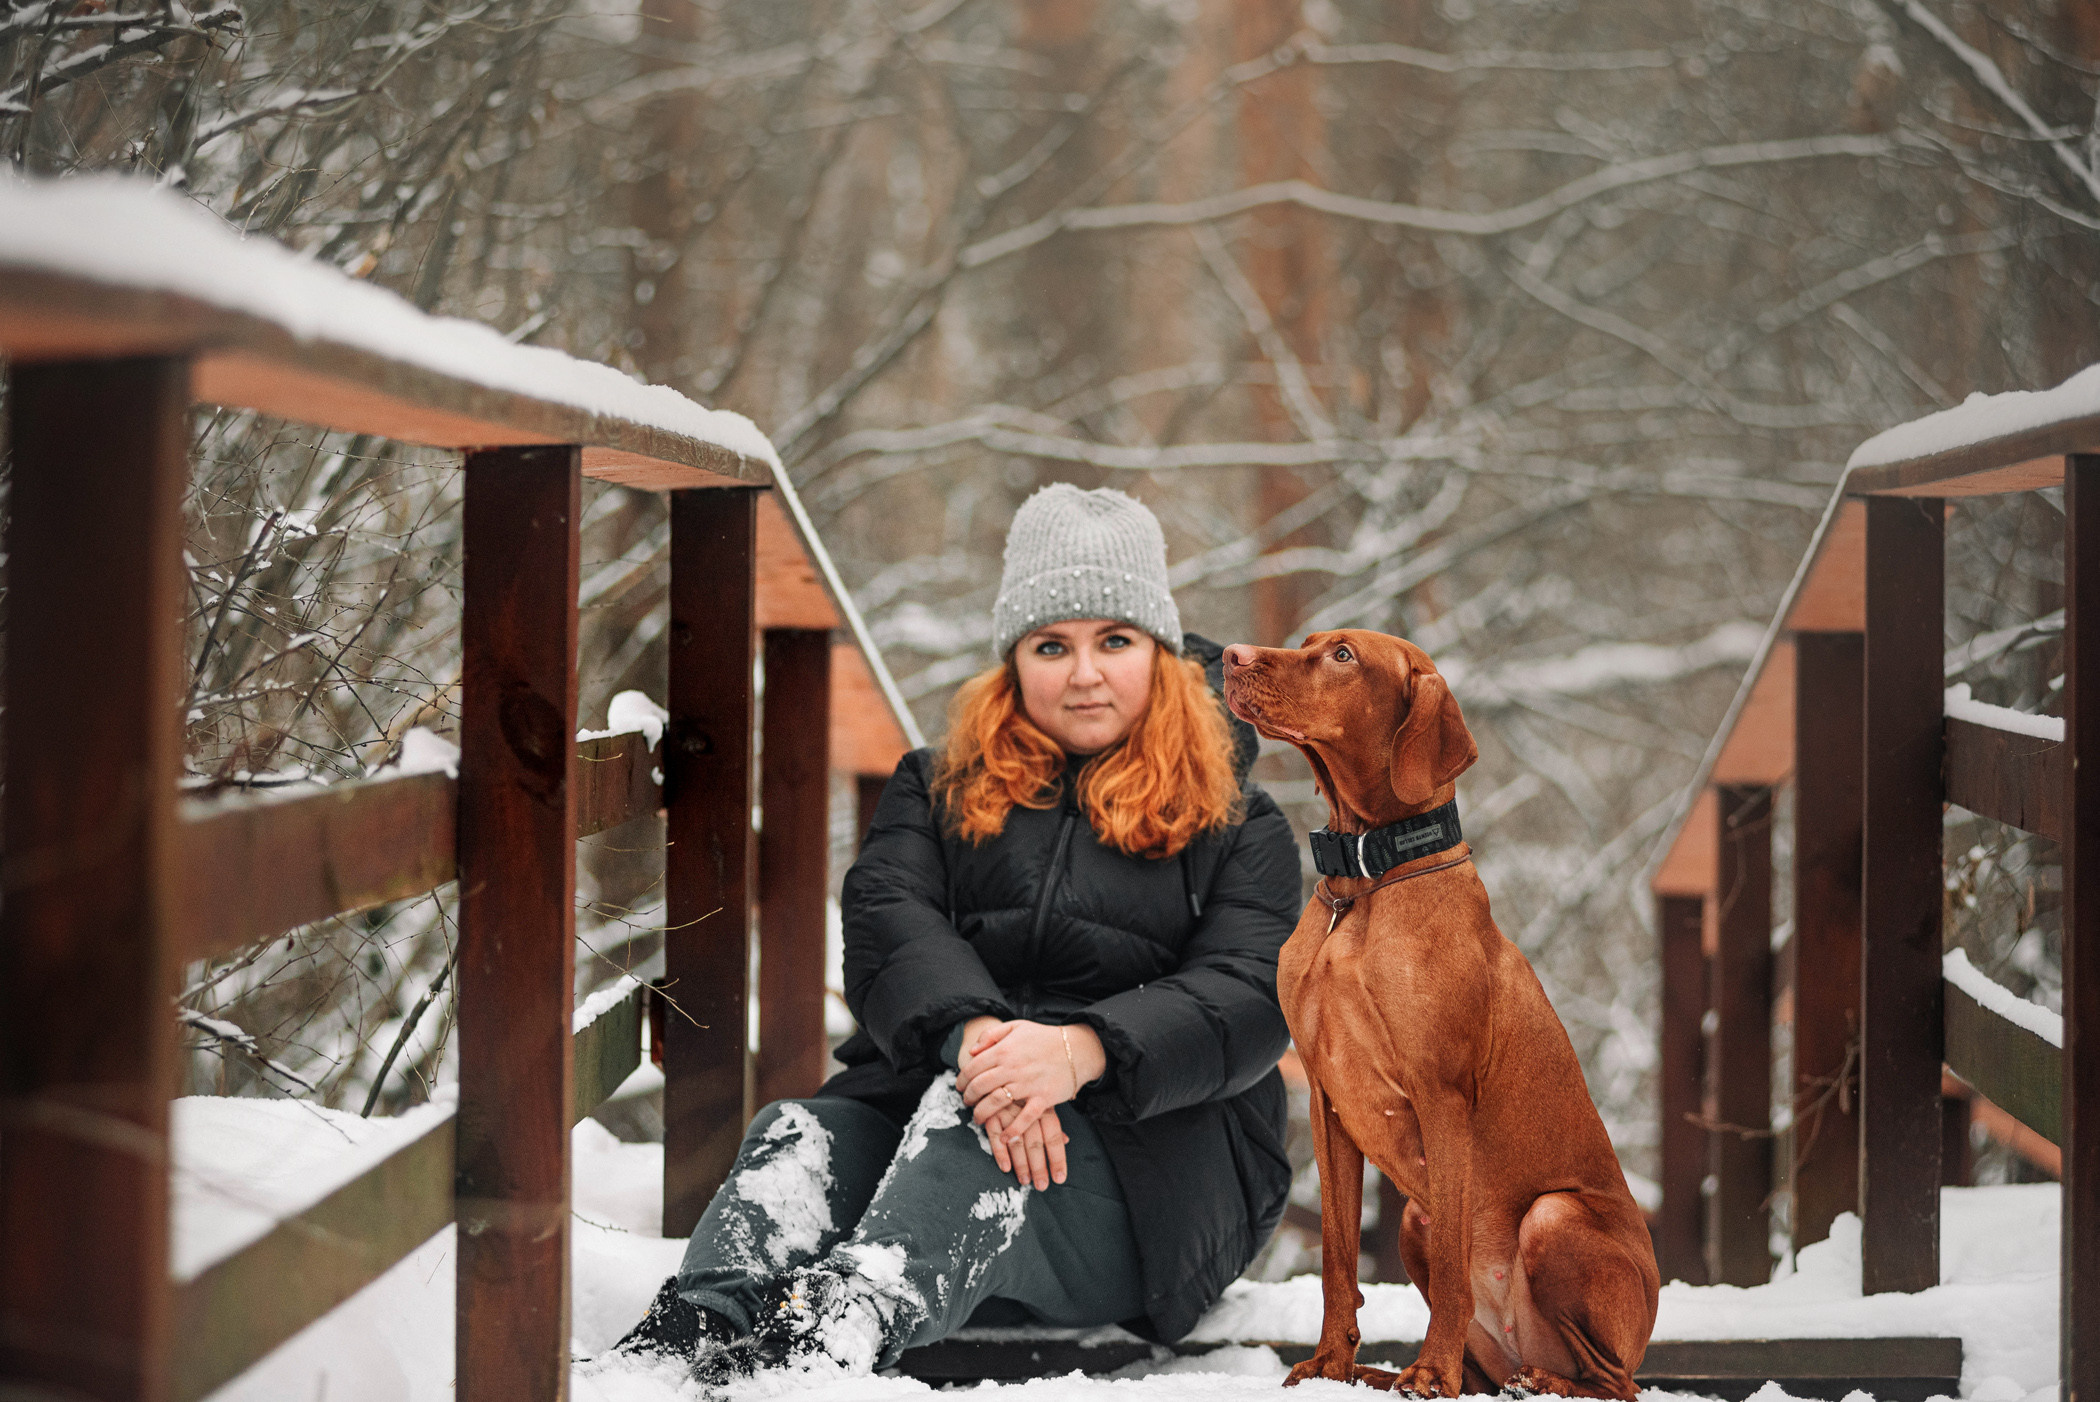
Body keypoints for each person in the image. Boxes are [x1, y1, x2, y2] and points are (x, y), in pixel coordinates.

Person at [609, 483, 1299, 1385]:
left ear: (1161, 653)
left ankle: (823, 1350)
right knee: (796, 1138)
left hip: (1153, 1188)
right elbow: (888, 919)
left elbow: (1250, 993)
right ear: (1013, 660)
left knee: (968, 1128)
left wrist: (1079, 1051)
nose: (1084, 673)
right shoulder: (936, 786)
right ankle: (680, 1352)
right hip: (934, 1115)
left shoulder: (1242, 822)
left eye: (1115, 642)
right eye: (1052, 646)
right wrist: (981, 1044)